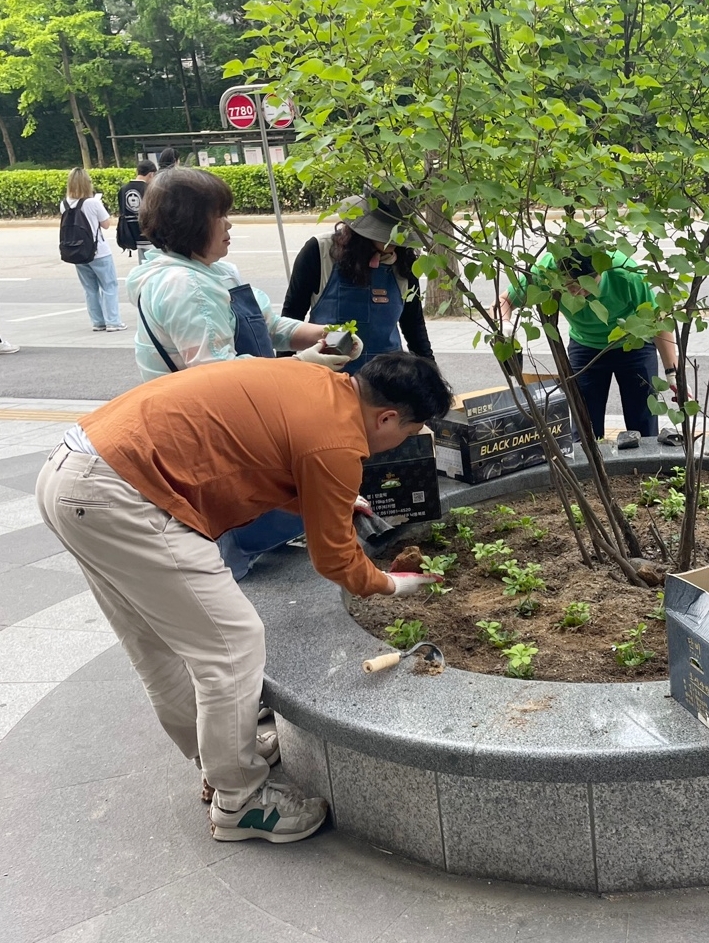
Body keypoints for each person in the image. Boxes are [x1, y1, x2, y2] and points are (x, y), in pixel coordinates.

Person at [35, 352, 453, 844]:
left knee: (158, 645)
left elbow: (262, 455)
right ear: (386, 417)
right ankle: (241, 800)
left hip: (74, 473)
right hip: (122, 494)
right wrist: (394, 583)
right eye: (407, 433)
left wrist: (333, 497)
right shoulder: (337, 441)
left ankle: (217, 760)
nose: (398, 444)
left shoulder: (314, 382)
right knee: (232, 644)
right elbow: (336, 562)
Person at [128, 167, 364, 579]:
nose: (229, 223)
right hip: (209, 429)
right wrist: (303, 367)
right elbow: (215, 377)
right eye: (219, 215)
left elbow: (271, 326)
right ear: (189, 223)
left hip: (246, 411)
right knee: (232, 530)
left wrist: (326, 334)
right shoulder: (184, 286)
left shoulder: (217, 272)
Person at [495, 243, 679, 440]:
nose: (577, 292)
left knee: (643, 420)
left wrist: (673, 373)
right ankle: (590, 470)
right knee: (584, 427)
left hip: (633, 345)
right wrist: (505, 327)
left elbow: (658, 320)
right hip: (585, 346)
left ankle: (646, 468)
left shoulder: (625, 273)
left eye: (588, 284)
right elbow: (504, 302)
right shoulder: (545, 272)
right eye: (571, 285)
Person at [281, 189, 434, 374]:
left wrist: (432, 377)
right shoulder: (319, 252)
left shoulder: (405, 262)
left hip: (386, 383)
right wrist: (283, 375)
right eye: (386, 231)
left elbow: (414, 325)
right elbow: (291, 319)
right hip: (328, 378)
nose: (394, 241)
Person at [60, 168, 125, 332]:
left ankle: (98, 322)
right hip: (99, 251)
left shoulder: (64, 204)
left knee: (90, 289)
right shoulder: (93, 203)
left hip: (78, 252)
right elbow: (106, 224)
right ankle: (113, 321)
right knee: (109, 285)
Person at [116, 160, 156, 263]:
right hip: (149, 235)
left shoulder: (123, 189)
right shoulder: (150, 189)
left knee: (142, 265)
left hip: (130, 233)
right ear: (151, 174)